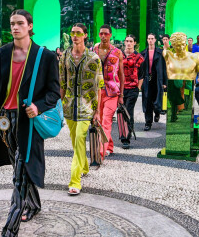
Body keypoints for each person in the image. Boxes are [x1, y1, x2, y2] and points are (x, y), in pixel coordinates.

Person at [0, 10, 60, 237]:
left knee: (19, 173)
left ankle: (9, 232)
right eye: (12, 24)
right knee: (20, 166)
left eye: (20, 23)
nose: (15, 27)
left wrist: (38, 107)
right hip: (5, 121)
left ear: (30, 26)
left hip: (28, 121)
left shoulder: (45, 56)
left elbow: (54, 93)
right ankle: (35, 204)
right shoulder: (0, 54)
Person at [59, 24, 103, 193]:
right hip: (69, 105)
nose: (75, 36)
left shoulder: (93, 58)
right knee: (74, 140)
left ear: (85, 35)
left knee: (79, 138)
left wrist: (97, 110)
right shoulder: (65, 56)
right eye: (72, 33)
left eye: (78, 33)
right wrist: (59, 104)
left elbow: (99, 85)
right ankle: (84, 166)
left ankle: (75, 181)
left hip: (87, 106)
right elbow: (62, 81)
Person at [93, 24, 124, 161]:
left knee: (106, 120)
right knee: (99, 121)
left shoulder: (117, 52)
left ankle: (101, 152)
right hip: (97, 92)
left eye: (106, 33)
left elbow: (121, 75)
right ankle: (109, 146)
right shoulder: (93, 50)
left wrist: (121, 95)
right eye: (101, 34)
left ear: (110, 35)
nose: (103, 36)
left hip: (112, 92)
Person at [120, 35, 144, 149]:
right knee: (120, 112)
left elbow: (142, 74)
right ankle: (122, 135)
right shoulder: (119, 55)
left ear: (135, 43)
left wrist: (138, 87)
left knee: (128, 111)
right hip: (120, 89)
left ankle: (127, 138)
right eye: (127, 41)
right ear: (124, 42)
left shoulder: (139, 57)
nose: (128, 43)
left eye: (131, 41)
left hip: (132, 89)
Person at [140, 33, 167, 131]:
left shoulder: (160, 53)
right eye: (149, 39)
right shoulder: (143, 53)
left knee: (157, 101)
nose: (150, 40)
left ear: (155, 40)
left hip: (157, 79)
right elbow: (141, 69)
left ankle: (157, 112)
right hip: (147, 80)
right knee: (147, 101)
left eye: (152, 38)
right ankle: (148, 122)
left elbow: (164, 68)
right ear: (147, 40)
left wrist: (165, 82)